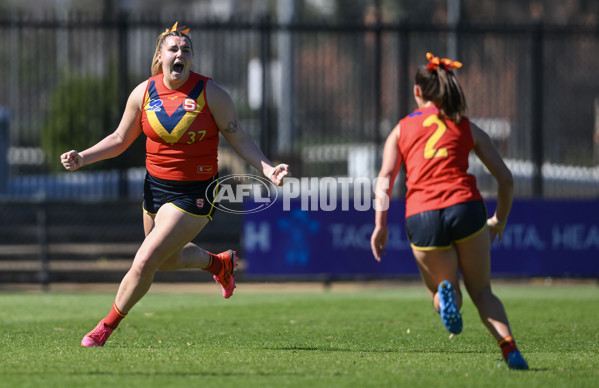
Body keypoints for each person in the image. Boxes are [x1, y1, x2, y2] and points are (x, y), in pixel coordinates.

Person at [61, 22, 289, 347]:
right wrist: (83, 157)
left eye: (186, 50)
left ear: (191, 59)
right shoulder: (143, 93)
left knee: (144, 260)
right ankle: (218, 263)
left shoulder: (212, 94)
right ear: (160, 56)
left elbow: (239, 138)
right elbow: (119, 138)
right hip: (154, 189)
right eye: (174, 49)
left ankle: (104, 329)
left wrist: (267, 168)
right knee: (165, 261)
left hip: (196, 193)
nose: (180, 54)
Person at [370, 52, 528, 370]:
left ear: (418, 92)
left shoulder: (401, 129)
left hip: (422, 215)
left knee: (446, 291)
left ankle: (445, 297)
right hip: (466, 207)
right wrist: (499, 219)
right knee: (482, 290)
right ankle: (510, 350)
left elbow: (385, 178)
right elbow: (506, 179)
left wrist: (380, 225)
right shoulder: (464, 125)